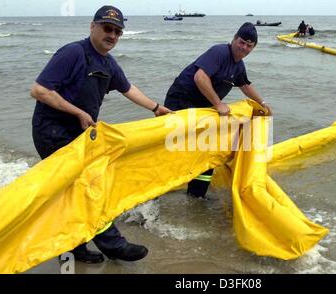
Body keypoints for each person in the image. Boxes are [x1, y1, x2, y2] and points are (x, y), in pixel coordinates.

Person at [30, 5, 171, 264]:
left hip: (79, 133)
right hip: (52, 130)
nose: (113, 35)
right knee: (86, 185)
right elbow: (39, 90)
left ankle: (74, 247)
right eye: (108, 28)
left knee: (74, 191)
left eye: (118, 31)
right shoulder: (74, 53)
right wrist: (78, 113)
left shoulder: (108, 63)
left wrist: (155, 107)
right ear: (92, 26)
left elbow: (128, 88)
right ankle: (113, 243)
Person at [164, 22, 271, 199]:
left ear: (253, 48)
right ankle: (153, 194)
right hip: (180, 101)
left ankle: (196, 196)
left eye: (249, 45)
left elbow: (245, 85)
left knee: (208, 150)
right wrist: (218, 103)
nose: (244, 47)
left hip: (201, 109)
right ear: (234, 39)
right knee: (175, 148)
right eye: (242, 42)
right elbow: (200, 77)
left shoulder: (239, 65)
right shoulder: (220, 52)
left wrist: (263, 103)